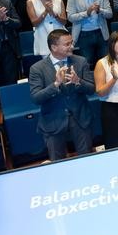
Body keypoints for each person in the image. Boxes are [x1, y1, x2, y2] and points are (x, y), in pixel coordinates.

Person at [29, 29, 96, 161]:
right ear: (54, 47)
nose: (72, 46)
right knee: (57, 163)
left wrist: (78, 82)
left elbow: (92, 89)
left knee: (87, 160)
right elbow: (36, 98)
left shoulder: (80, 61)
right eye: (67, 44)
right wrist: (55, 84)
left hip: (80, 119)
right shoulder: (37, 69)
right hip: (53, 121)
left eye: (71, 43)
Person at [67, 0, 112, 66]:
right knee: (87, 63)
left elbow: (110, 14)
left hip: (101, 33)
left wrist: (100, 10)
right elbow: (70, 17)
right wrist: (86, 13)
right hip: (84, 34)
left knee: (106, 63)